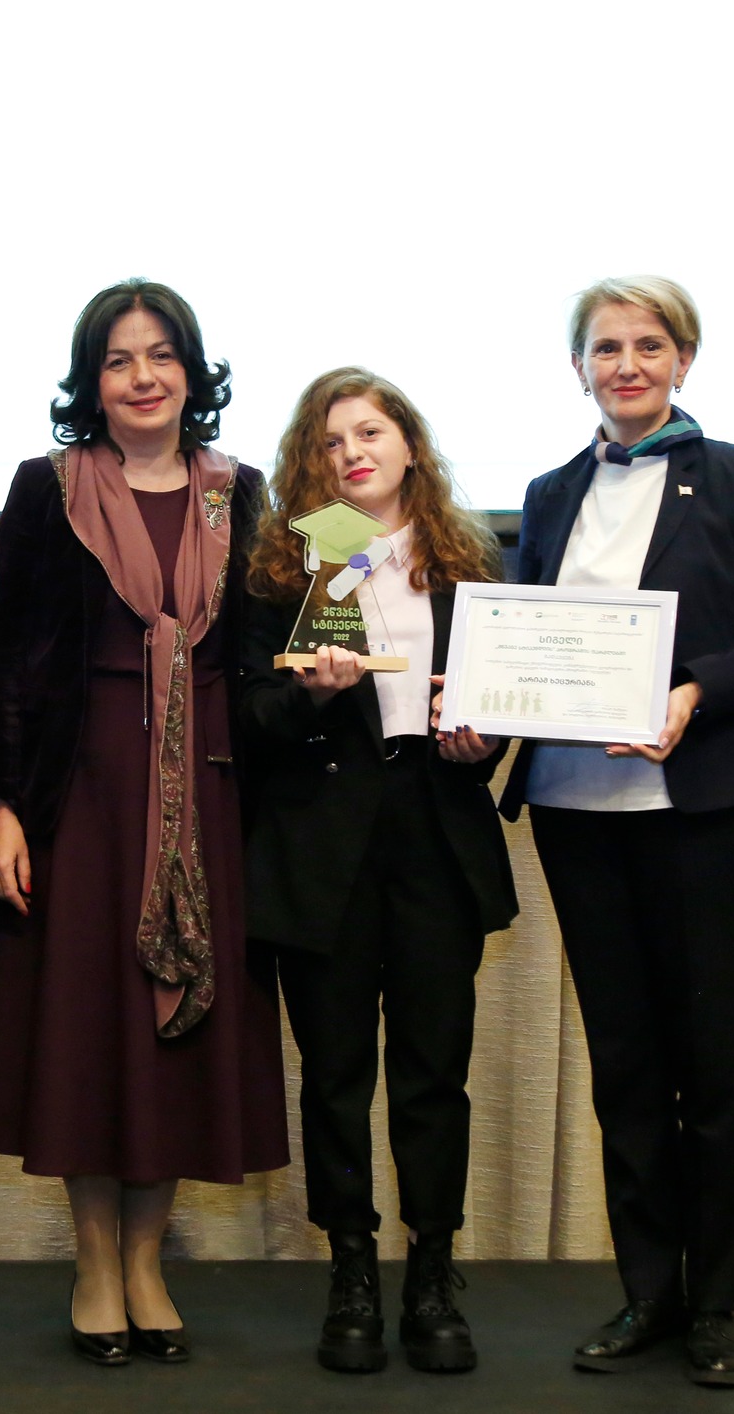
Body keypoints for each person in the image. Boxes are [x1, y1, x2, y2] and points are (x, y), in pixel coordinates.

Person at [500, 277, 734, 1389]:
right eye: (606, 348)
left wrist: (692, 692)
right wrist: (480, 695)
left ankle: (718, 1302)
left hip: (704, 813)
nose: (627, 364)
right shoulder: (549, 492)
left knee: (710, 1067)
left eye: (648, 344)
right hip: (574, 814)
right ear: (578, 368)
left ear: (683, 359)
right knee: (625, 1068)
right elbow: (527, 639)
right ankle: (649, 1291)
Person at [0, 279, 288, 1367]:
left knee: (178, 1038)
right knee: (88, 1030)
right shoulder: (47, 486)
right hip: (83, 796)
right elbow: (9, 661)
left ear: (193, 374)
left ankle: (148, 1263)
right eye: (118, 359)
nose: (142, 377)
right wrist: (4, 806)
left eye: (161, 356)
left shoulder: (241, 494)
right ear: (90, 381)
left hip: (207, 795)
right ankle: (94, 1263)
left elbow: (293, 630)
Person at [236, 369, 518, 1375]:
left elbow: (499, 708)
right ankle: (350, 1273)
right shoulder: (283, 572)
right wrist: (310, 696)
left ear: (409, 445)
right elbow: (245, 719)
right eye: (329, 441)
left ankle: (433, 1273)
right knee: (335, 1077)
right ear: (307, 465)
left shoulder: (468, 564)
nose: (351, 452)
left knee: (434, 1074)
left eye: (369, 432)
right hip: (323, 848)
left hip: (434, 834)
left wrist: (480, 743)